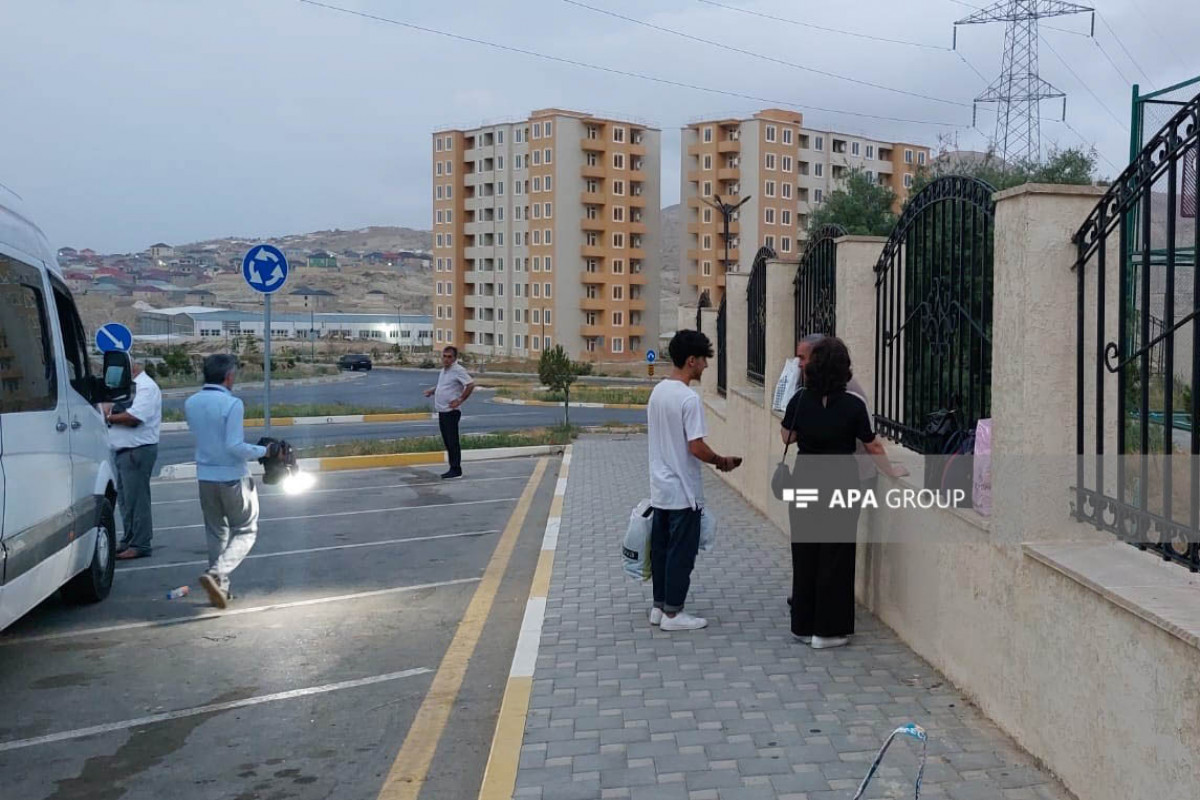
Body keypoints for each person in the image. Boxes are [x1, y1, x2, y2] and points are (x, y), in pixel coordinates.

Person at [780, 337, 906, 649]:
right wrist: (891, 471)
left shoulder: (799, 400)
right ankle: (827, 631)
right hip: (840, 481)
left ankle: (802, 626)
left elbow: (787, 435)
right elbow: (872, 444)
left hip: (805, 479)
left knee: (806, 552)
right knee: (835, 554)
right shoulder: (853, 405)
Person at [647, 330, 742, 632]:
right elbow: (696, 447)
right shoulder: (688, 399)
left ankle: (659, 607)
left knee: (661, 551)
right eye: (703, 360)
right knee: (681, 555)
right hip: (683, 492)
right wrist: (722, 462)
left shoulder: (658, 392)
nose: (706, 366)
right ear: (691, 360)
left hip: (659, 489)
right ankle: (675, 615)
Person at [185, 354, 279, 608]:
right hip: (232, 478)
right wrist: (265, 452)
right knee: (246, 530)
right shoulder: (232, 404)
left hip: (205, 477)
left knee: (216, 533)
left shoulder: (191, 402)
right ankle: (217, 573)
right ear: (229, 376)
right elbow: (234, 446)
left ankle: (221, 589)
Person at [105, 360, 162, 560]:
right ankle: (129, 539)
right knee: (126, 500)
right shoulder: (130, 388)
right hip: (124, 452)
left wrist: (108, 417)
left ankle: (140, 544)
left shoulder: (146, 387)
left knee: (137, 501)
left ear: (132, 367)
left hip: (136, 451)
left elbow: (134, 418)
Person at [424, 346, 475, 479]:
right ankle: (452, 467)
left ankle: (456, 469)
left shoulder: (458, 370)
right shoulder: (444, 371)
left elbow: (470, 385)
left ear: (455, 358)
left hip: (451, 411)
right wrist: (433, 390)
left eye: (449, 357)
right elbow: (444, 386)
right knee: (447, 441)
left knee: (452, 441)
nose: (446, 359)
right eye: (444, 356)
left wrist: (460, 400)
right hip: (442, 411)